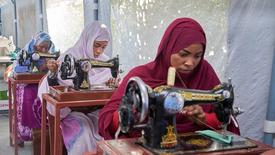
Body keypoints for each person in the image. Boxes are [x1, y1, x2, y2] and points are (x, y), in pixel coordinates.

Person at [98, 18, 240, 140]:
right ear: (168, 48)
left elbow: (223, 120)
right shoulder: (142, 76)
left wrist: (203, 119)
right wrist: (134, 111)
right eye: (183, 54)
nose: (190, 62)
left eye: (197, 56)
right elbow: (106, 120)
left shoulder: (204, 71)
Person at [38, 21, 119, 155]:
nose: (99, 51)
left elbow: (109, 81)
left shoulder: (105, 61)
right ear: (88, 39)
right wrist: (54, 74)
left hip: (94, 109)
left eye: (104, 47)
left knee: (110, 127)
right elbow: (56, 85)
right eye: (96, 45)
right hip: (71, 111)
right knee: (83, 133)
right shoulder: (70, 57)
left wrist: (112, 81)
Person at [10, 31, 56, 144]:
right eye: (41, 47)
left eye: (47, 47)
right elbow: (16, 69)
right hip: (24, 84)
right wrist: (40, 68)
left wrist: (50, 66)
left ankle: (41, 133)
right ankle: (22, 133)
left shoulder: (49, 53)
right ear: (35, 44)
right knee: (28, 94)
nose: (44, 50)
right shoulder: (25, 52)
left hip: (40, 82)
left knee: (47, 95)